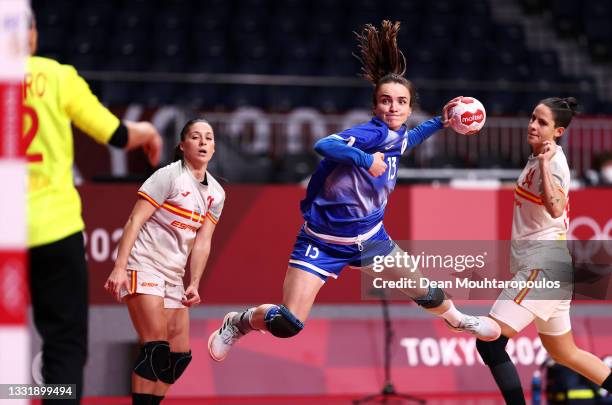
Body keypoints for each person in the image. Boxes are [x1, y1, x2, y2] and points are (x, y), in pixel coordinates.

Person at [208, 20, 500, 363]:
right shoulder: (369, 134)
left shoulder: (398, 135)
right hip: (322, 241)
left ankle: (459, 321)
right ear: (375, 106)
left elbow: (412, 138)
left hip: (372, 240)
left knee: (427, 292)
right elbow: (324, 143)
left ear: (409, 107)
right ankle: (239, 322)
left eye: (400, 102)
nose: (393, 107)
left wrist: (441, 121)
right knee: (288, 323)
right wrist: (363, 159)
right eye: (386, 101)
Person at [24, 14, 162, 404]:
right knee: (63, 343)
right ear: (31, 33)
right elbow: (116, 134)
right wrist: (148, 132)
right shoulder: (56, 76)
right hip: (54, 230)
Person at [475, 97, 612, 404]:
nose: (532, 125)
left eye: (542, 122)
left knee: (490, 343)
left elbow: (556, 208)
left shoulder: (554, 163)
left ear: (558, 131)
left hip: (543, 267)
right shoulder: (536, 157)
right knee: (565, 353)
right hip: (553, 268)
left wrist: (547, 166)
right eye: (533, 118)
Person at [104, 118, 224, 405]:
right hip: (144, 264)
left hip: (173, 276)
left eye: (208, 137)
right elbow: (135, 220)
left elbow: (203, 241)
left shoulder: (217, 194)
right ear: (183, 145)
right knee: (155, 348)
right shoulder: (168, 177)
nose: (203, 141)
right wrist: (120, 267)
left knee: (177, 358)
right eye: (196, 137)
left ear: (215, 147)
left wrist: (194, 282)